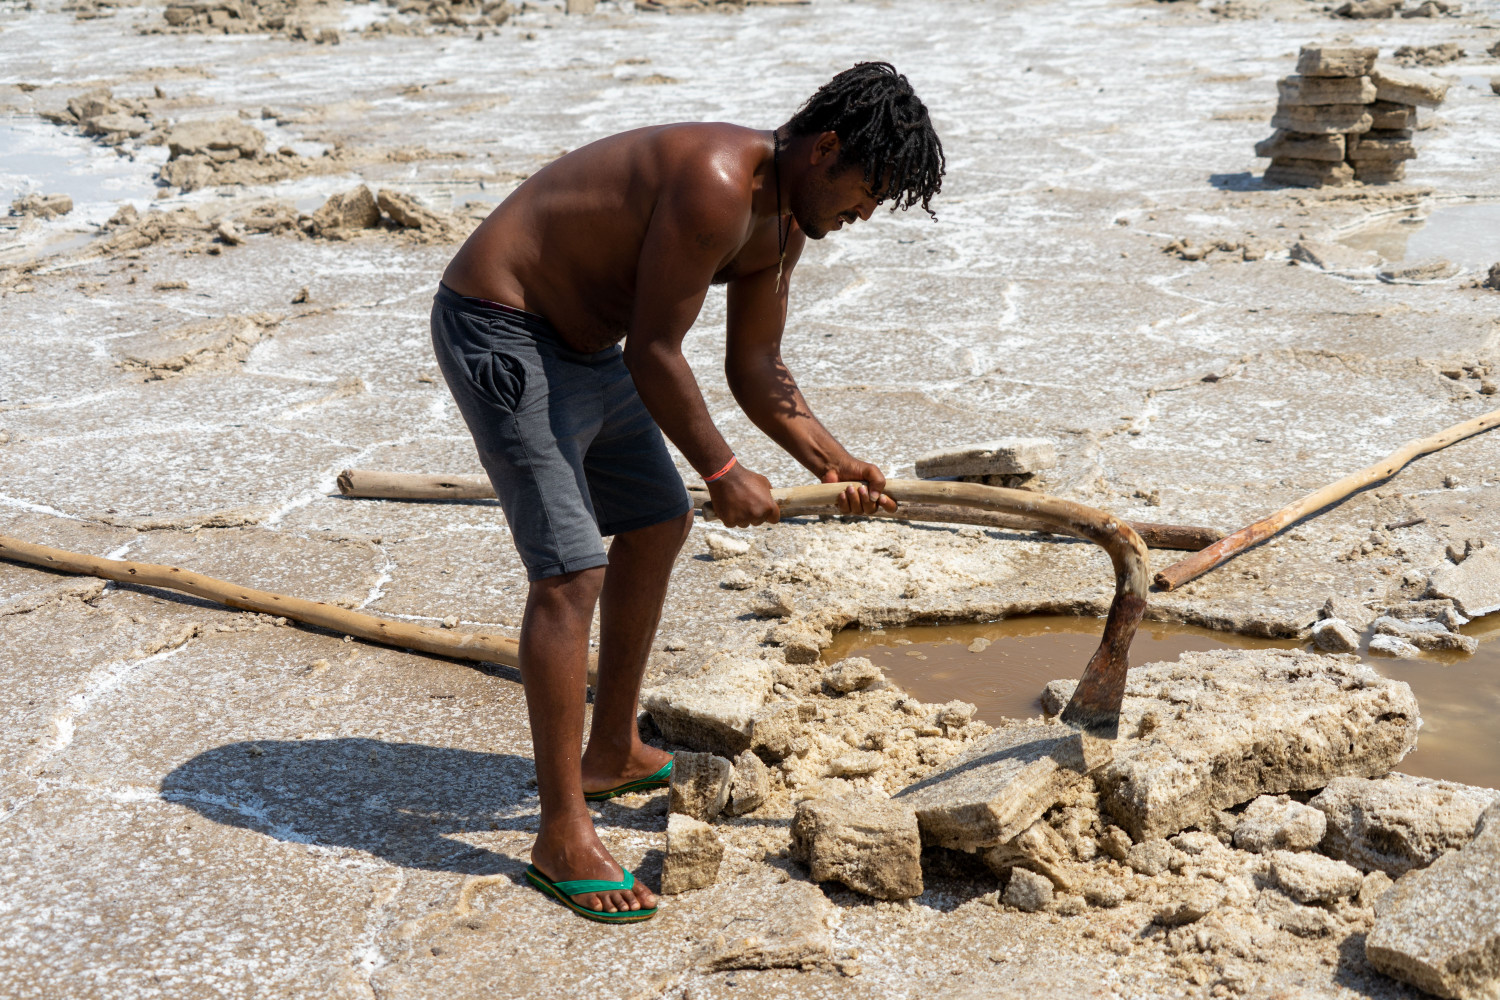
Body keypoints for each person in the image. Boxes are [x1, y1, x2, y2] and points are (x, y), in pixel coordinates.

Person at [432, 61, 944, 923]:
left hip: (586, 347)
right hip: (503, 325)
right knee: (569, 573)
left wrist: (832, 459)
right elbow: (657, 352)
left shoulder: (780, 229)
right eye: (865, 194)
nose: (860, 217)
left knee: (659, 523)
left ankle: (612, 751)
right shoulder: (716, 183)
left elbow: (756, 366)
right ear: (825, 150)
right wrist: (721, 470)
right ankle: (561, 834)